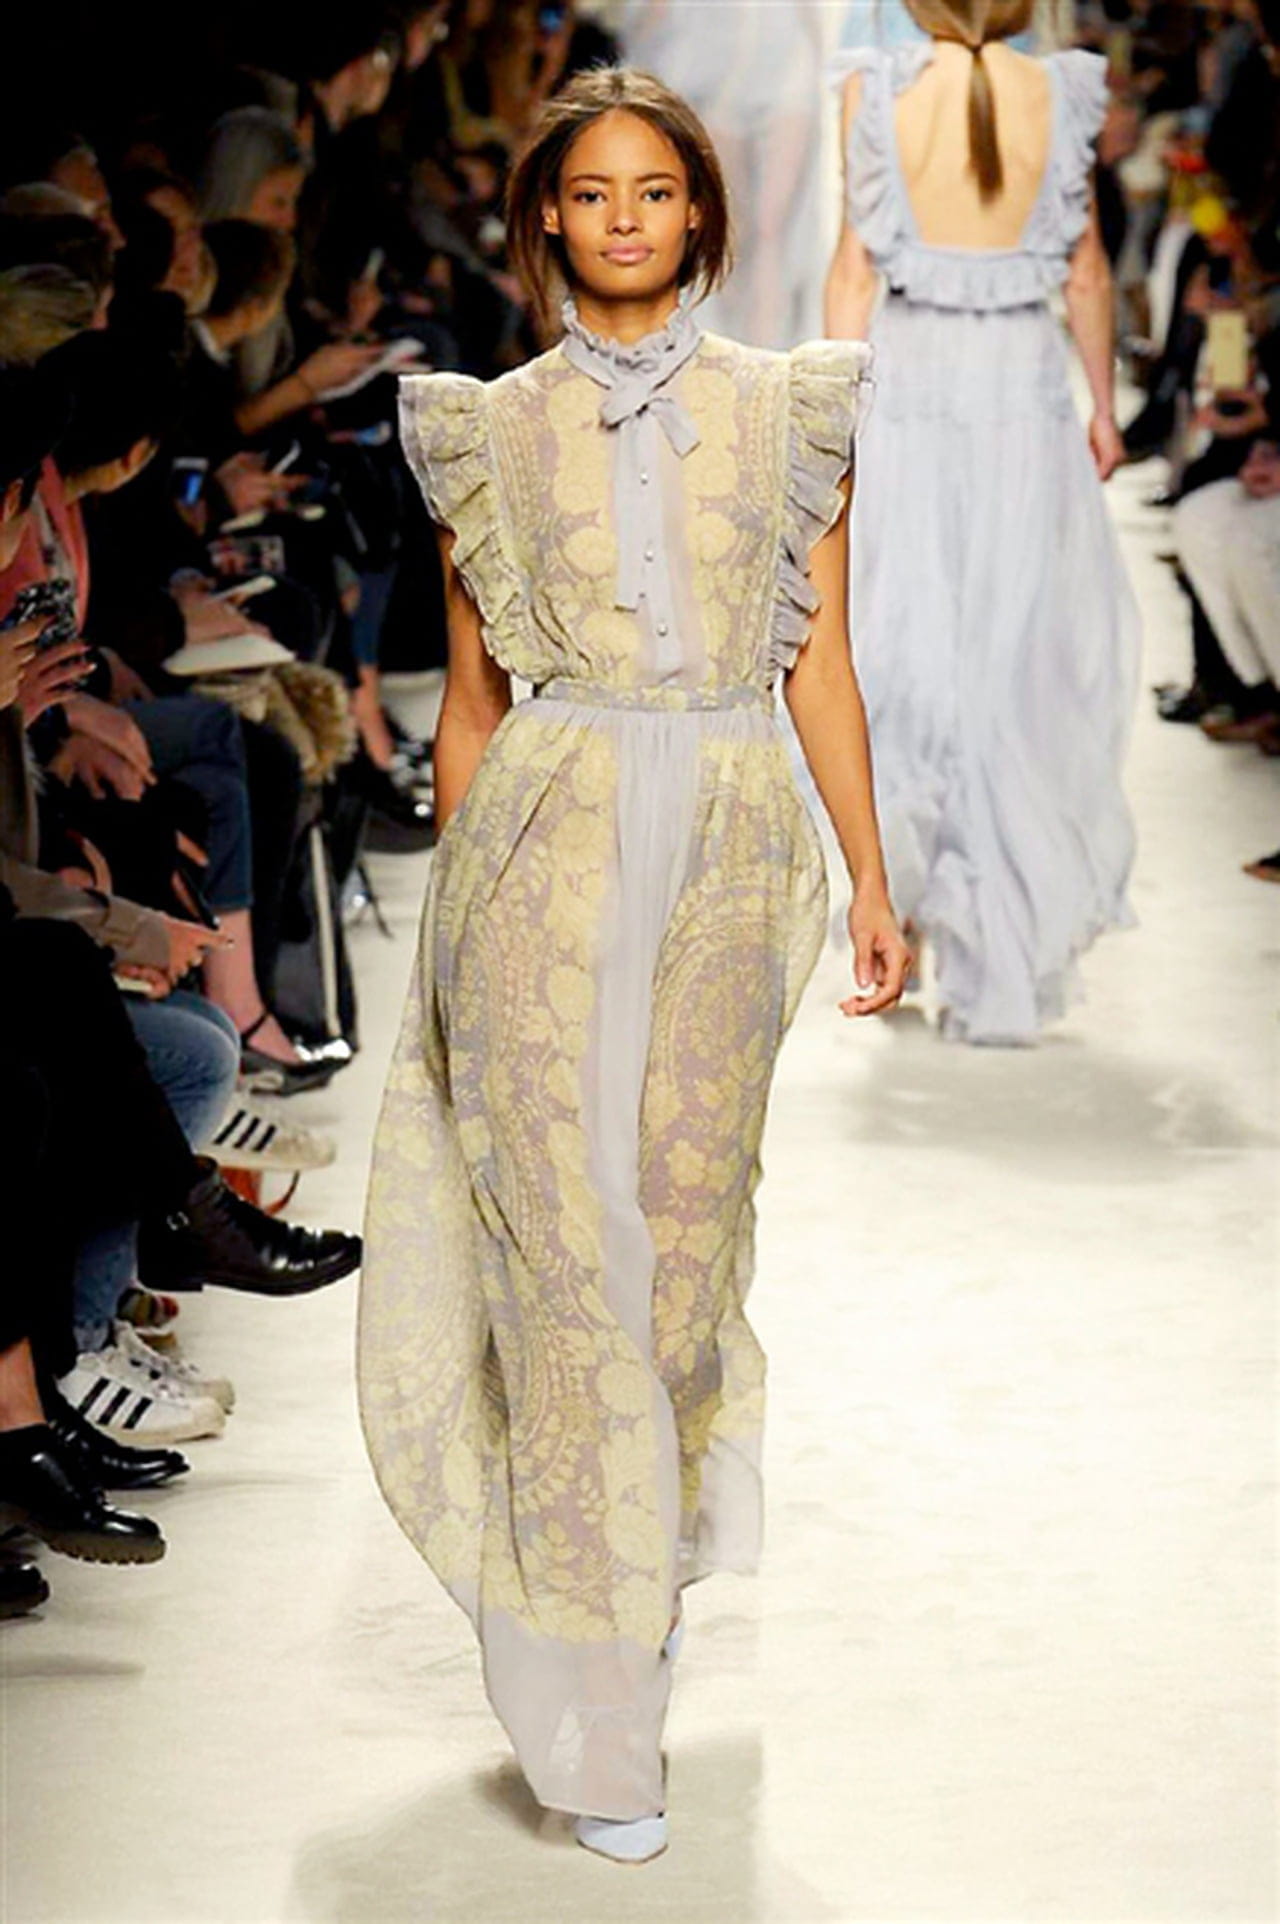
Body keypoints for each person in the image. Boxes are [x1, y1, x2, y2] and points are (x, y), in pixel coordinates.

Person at [359, 66, 909, 1865]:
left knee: (677, 1243)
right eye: (591, 193)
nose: (623, 220)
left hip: (734, 837)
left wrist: (874, 874)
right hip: (547, 828)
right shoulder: (485, 431)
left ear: (699, 217)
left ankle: (635, 1586)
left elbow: (821, 662)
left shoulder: (795, 411)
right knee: (556, 1259)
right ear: (545, 216)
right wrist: (449, 935)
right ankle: (600, 1710)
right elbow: (472, 699)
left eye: (654, 193)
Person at [825, 0, 1139, 1045]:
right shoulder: (1062, 91)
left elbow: (854, 269)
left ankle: (900, 914)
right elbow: (1085, 270)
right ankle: (993, 952)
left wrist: (829, 417)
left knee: (908, 655)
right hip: (1018, 385)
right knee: (1010, 664)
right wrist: (1103, 408)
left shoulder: (874, 89)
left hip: (910, 380)